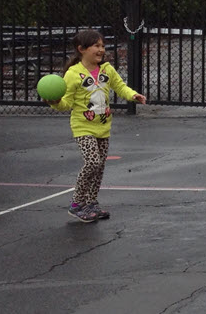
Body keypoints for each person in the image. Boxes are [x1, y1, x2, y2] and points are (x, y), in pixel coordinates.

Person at [49, 29, 146, 223]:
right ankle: (77, 204)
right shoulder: (73, 74)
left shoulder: (107, 70)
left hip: (103, 127)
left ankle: (91, 202)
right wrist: (54, 101)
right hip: (83, 127)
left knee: (100, 166)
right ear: (82, 49)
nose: (101, 49)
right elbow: (66, 103)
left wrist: (132, 95)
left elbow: (120, 86)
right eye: (97, 46)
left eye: (102, 46)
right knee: (92, 162)